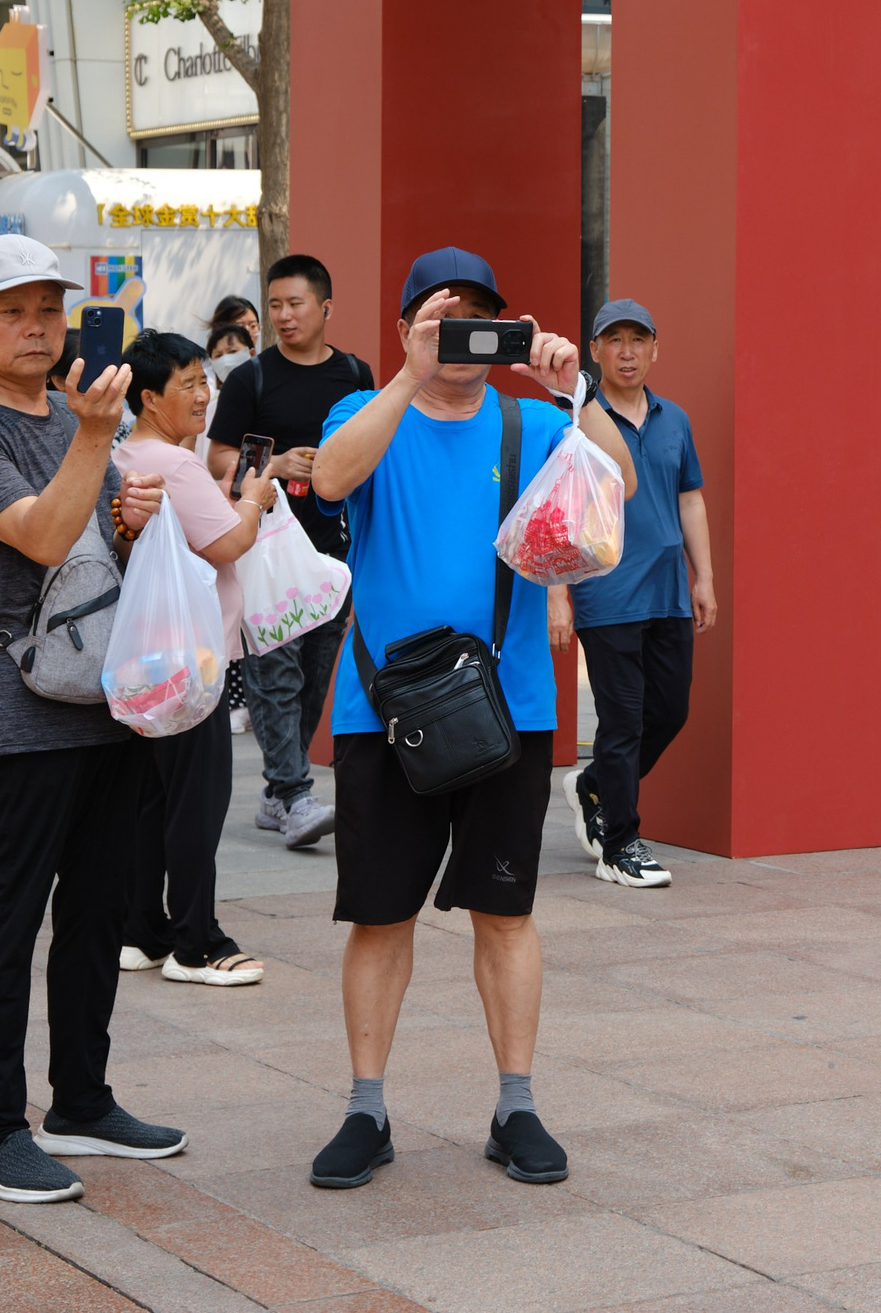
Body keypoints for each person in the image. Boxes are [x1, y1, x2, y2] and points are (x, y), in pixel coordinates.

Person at [305, 247, 634, 1191]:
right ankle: (366, 1108)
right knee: (380, 915)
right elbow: (330, 479)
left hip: (510, 705)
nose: (462, 336)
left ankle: (516, 1104)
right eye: (443, 318)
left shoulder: (536, 421)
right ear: (408, 325)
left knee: (506, 911)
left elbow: (619, 487)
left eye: (479, 318)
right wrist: (408, 374)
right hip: (385, 711)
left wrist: (573, 393)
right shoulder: (365, 408)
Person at [0, 233, 185, 1204]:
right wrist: (99, 444)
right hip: (24, 708)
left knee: (100, 908)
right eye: (11, 310)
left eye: (49, 308)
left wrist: (132, 515)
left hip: (109, 695)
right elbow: (41, 535)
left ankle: (81, 1101)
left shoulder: (68, 413)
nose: (36, 327)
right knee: (13, 913)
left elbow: (96, 541)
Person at [112, 330, 276, 986]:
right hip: (193, 662)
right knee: (196, 804)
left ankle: (141, 930)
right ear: (149, 398)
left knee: (152, 800)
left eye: (204, 381)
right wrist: (255, 498)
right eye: (187, 384)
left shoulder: (124, 453)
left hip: (145, 658)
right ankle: (196, 943)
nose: (204, 394)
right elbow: (230, 542)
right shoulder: (175, 465)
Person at [207, 255, 374, 849]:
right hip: (266, 552)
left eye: (295, 304)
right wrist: (273, 465)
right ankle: (296, 793)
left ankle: (279, 794)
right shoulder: (251, 378)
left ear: (325, 308)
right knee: (273, 673)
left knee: (312, 678)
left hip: (332, 555)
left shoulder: (355, 374)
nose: (283, 315)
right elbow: (218, 458)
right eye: (274, 304)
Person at [568, 299, 715, 890]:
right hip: (606, 594)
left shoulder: (674, 419)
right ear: (595, 351)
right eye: (615, 340)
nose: (627, 352)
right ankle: (620, 843)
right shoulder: (579, 420)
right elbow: (560, 507)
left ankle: (593, 786)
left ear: (655, 349)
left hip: (669, 591)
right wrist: (557, 594)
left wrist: (704, 577)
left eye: (638, 340)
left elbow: (690, 499)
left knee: (670, 711)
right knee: (623, 720)